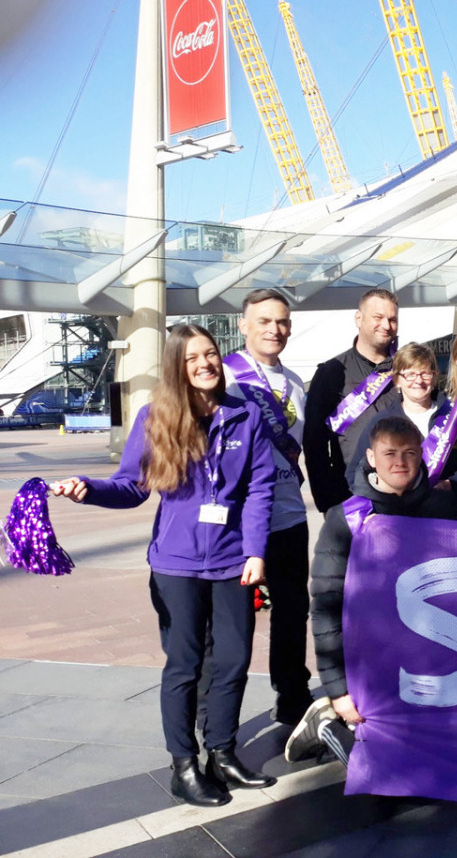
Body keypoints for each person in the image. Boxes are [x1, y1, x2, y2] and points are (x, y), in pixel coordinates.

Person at [53, 325, 276, 807]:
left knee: (235, 659)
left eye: (211, 353)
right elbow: (131, 487)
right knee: (186, 664)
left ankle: (222, 752)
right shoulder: (156, 417)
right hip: (176, 563)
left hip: (233, 559)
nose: (205, 363)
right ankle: (184, 765)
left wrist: (256, 551)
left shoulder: (246, 415)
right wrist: (88, 488)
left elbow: (260, 488)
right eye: (193, 356)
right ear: (178, 364)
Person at [285, 415, 457, 765]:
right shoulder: (347, 518)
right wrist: (338, 690)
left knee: (436, 763)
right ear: (370, 458)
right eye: (389, 453)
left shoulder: (443, 510)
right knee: (381, 771)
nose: (400, 462)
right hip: (368, 661)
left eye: (410, 453)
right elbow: (326, 608)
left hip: (428, 655)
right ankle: (326, 723)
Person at [222, 288, 313, 727]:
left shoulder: (296, 382)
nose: (274, 329)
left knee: (293, 612)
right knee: (235, 624)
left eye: (282, 322)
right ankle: (220, 719)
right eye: (264, 321)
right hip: (242, 522)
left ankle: (291, 696)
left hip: (290, 514)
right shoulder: (226, 376)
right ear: (243, 325)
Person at [344, 342, 457, 520]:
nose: (419, 380)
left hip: (448, 519)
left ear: (435, 376)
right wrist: (383, 498)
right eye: (410, 374)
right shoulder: (381, 423)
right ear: (397, 380)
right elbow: (355, 474)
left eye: (425, 373)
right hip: (398, 523)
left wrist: (453, 484)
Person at [303, 288, 399, 513]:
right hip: (350, 495)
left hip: (403, 497)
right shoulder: (332, 372)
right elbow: (314, 442)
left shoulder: (407, 370)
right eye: (378, 317)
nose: (386, 325)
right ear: (359, 318)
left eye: (392, 319)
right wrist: (328, 502)